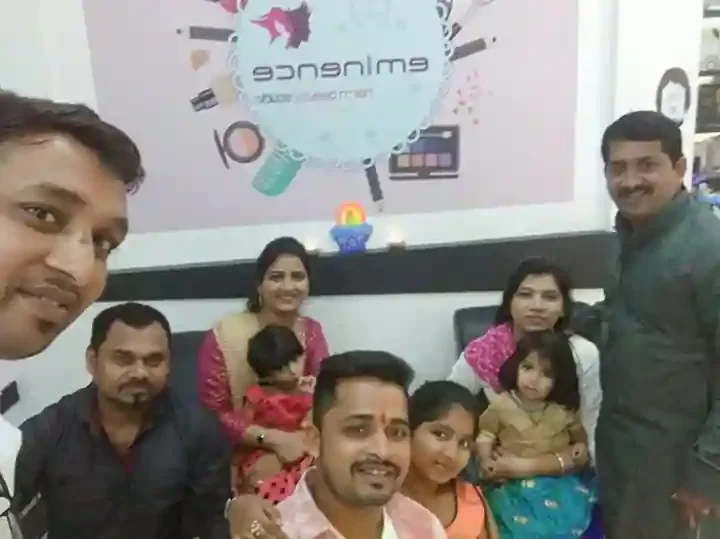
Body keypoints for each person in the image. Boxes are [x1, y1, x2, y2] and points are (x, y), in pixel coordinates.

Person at [0, 91, 144, 539]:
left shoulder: (8, 447)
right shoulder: (49, 434)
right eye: (42, 214)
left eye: (103, 243)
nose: (80, 271)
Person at [573, 110, 720, 538]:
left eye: (647, 165)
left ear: (679, 168)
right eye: (618, 168)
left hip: (682, 474)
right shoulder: (631, 236)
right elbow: (629, 319)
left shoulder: (707, 250)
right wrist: (562, 318)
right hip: (625, 457)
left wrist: (706, 472)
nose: (630, 180)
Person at [11, 302, 231, 538]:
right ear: (93, 361)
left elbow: (214, 520)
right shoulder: (49, 430)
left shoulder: (198, 428)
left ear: (169, 364)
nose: (140, 373)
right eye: (123, 359)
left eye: (154, 360)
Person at [447, 257, 601, 476]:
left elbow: (591, 430)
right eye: (525, 294)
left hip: (565, 471)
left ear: (563, 308)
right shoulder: (483, 352)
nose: (536, 306)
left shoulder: (582, 354)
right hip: (499, 471)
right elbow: (448, 406)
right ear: (509, 302)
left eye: (550, 297)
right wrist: (483, 456)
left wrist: (530, 466)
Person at [198, 237, 329, 484]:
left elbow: (325, 399)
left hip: (303, 450)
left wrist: (296, 447)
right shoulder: (224, 335)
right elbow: (212, 416)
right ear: (259, 284)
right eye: (276, 277)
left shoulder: (311, 332)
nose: (288, 287)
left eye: (297, 277)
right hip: (240, 454)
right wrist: (272, 441)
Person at [276, 350, 447, 538]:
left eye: (397, 433)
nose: (382, 451)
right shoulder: (276, 533)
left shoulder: (424, 528)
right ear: (314, 440)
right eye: (358, 430)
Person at [476, 331, 594, 538]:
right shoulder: (501, 405)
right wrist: (486, 460)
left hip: (556, 480)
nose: (534, 379)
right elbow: (485, 435)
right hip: (511, 483)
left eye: (546, 374)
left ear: (560, 380)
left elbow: (578, 435)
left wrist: (580, 447)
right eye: (527, 367)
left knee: (567, 517)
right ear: (516, 367)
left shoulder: (563, 409)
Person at [402, 380, 499, 539]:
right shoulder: (379, 499)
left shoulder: (472, 501)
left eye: (464, 443)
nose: (451, 454)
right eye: (440, 434)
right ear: (409, 430)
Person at [235, 325, 314, 503]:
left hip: (301, 456)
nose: (292, 370)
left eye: (295, 360)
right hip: (266, 458)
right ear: (266, 373)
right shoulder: (257, 396)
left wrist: (314, 394)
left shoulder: (307, 392)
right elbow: (241, 436)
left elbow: (315, 427)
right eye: (281, 368)